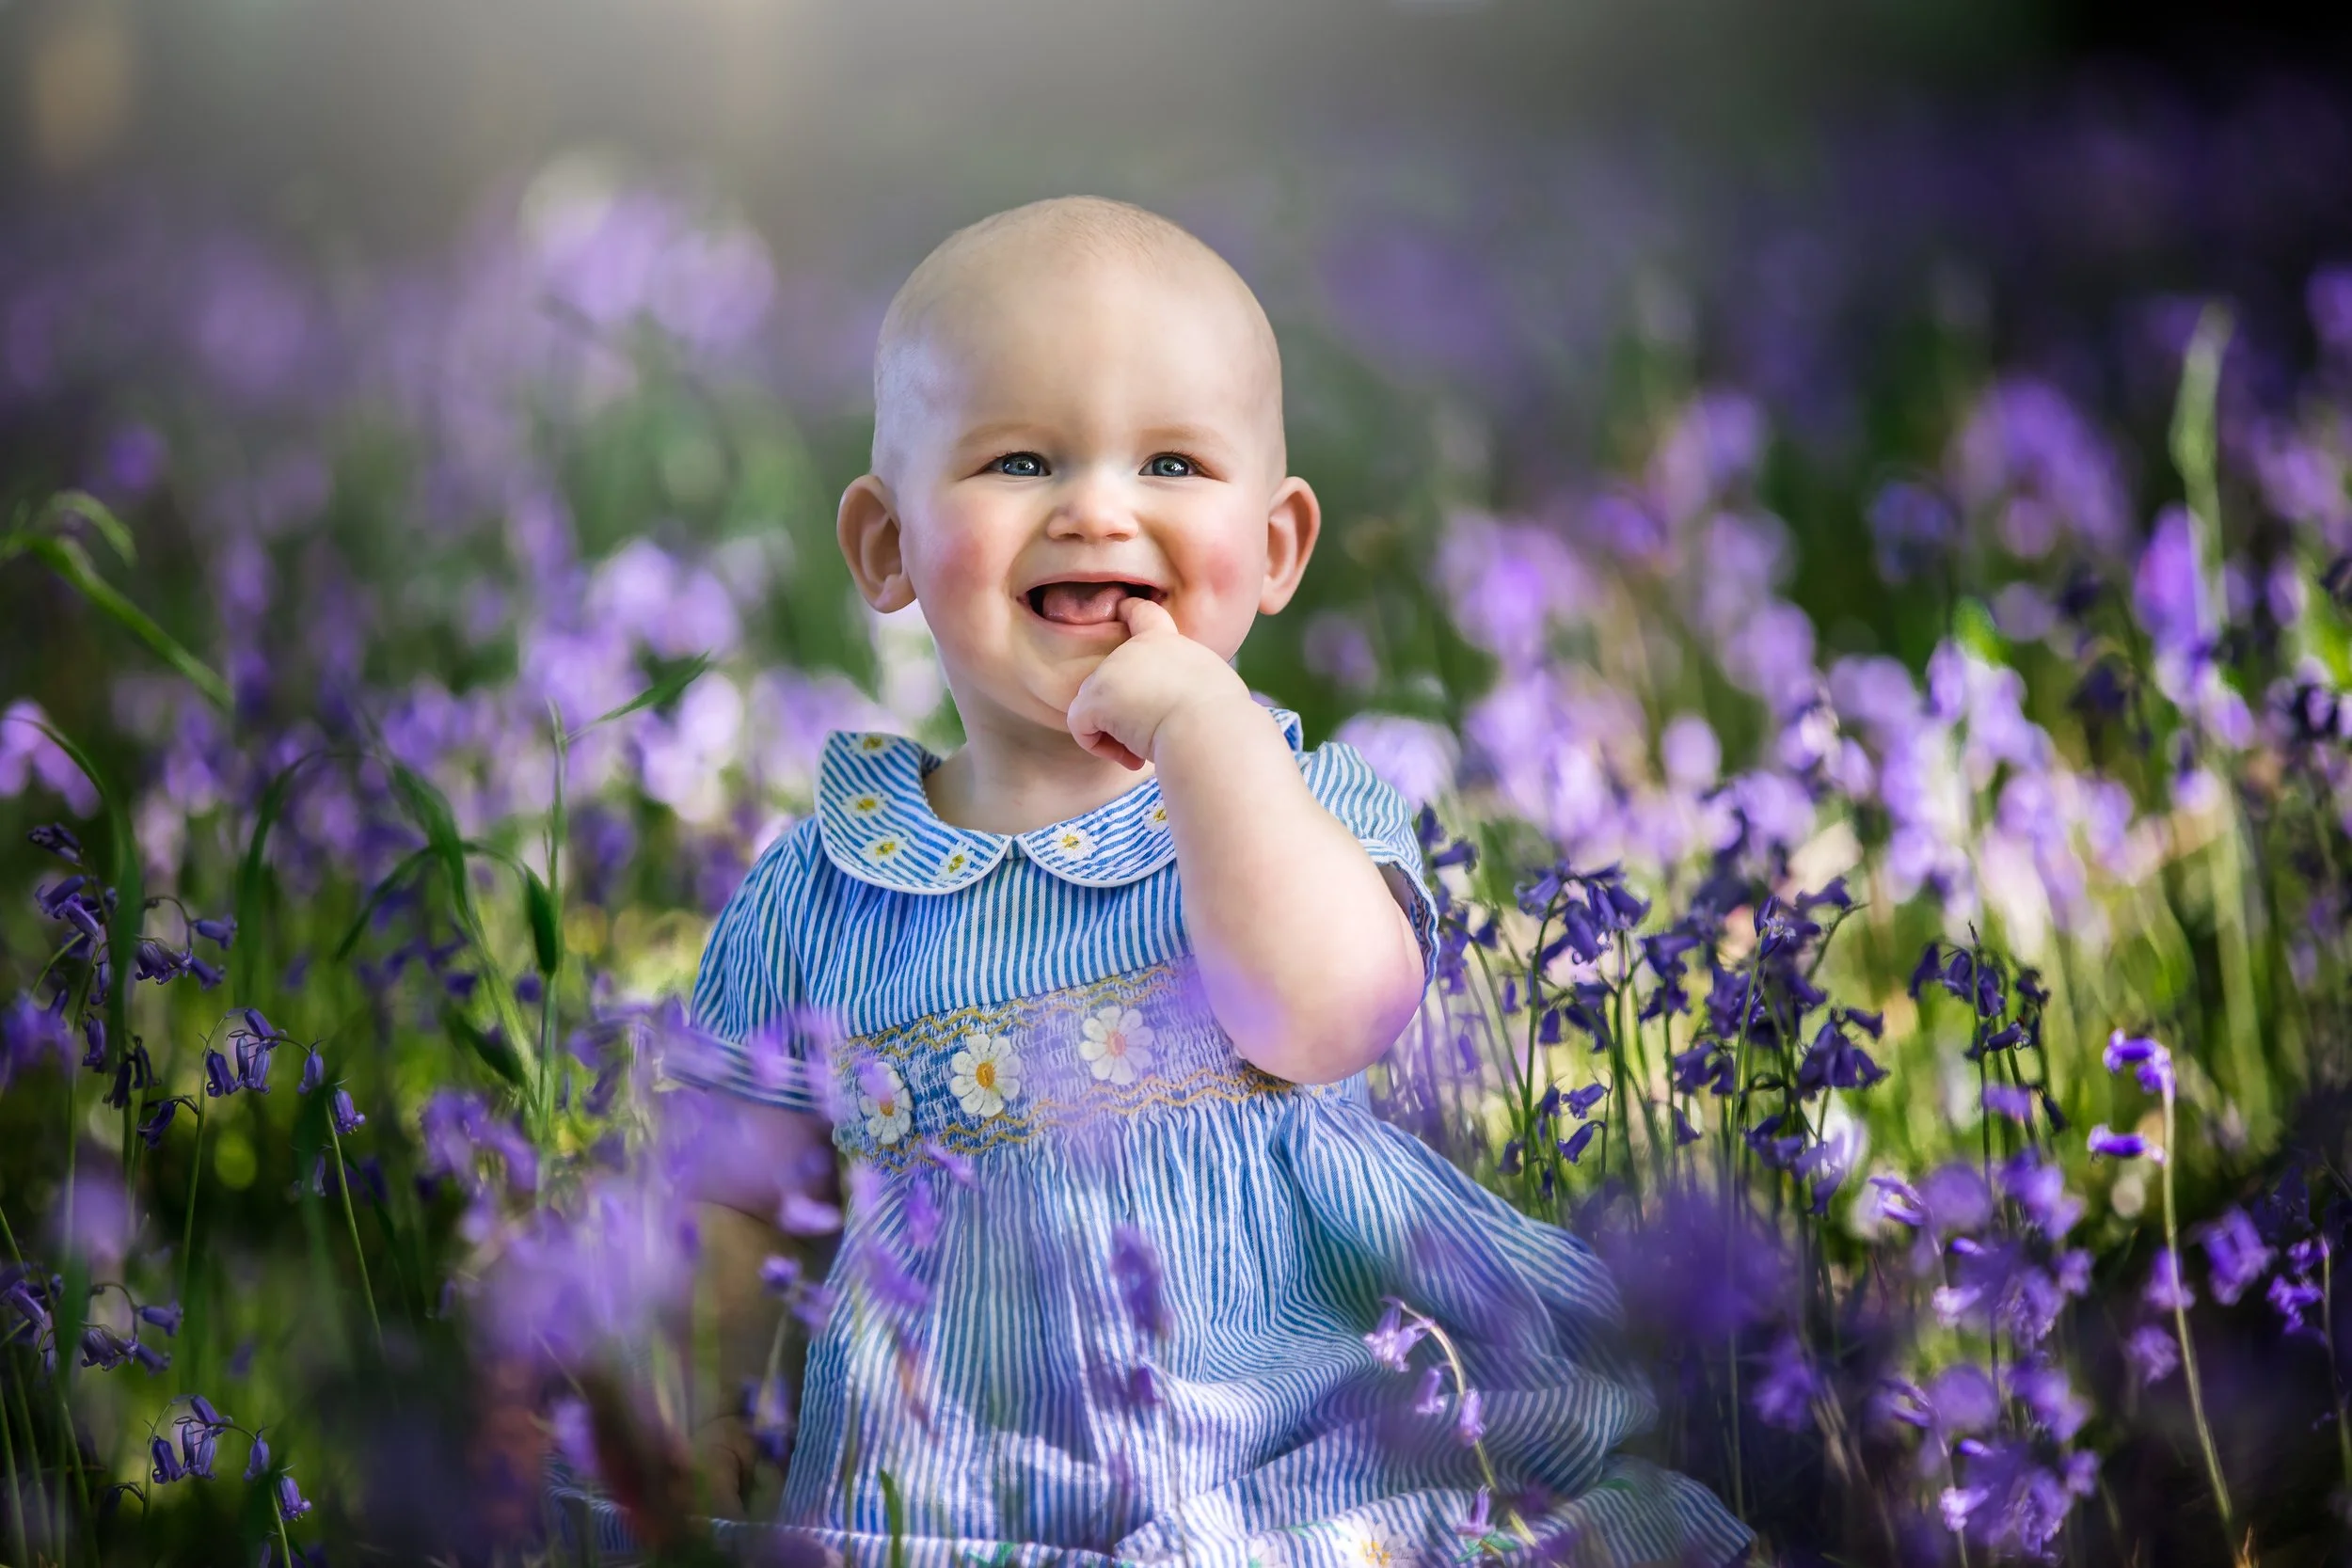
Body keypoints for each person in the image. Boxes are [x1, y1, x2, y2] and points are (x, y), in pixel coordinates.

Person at [567, 194, 1750, 1567]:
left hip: (1302, 1453)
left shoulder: (1298, 806)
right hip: (956, 1491)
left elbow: (1330, 1011)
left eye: (1175, 464)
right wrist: (704, 1399)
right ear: (887, 547)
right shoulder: (826, 883)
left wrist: (1206, 733)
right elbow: (733, 1192)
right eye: (1018, 459)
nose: (1096, 508)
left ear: (1278, 547)